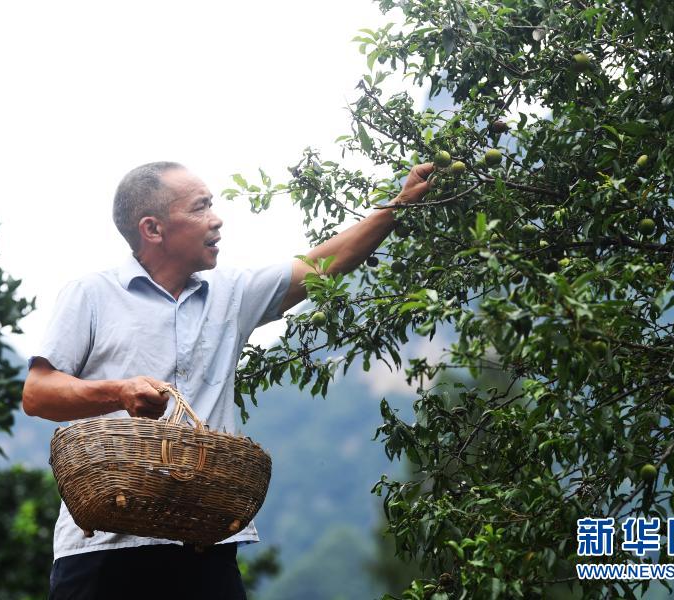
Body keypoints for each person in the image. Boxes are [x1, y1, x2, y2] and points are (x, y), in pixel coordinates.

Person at [22, 160, 434, 599]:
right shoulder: (92, 295)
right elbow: (37, 393)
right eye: (200, 208)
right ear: (153, 229)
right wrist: (118, 392)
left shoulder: (232, 293)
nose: (216, 219)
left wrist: (400, 203)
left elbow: (326, 263)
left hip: (204, 546)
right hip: (102, 549)